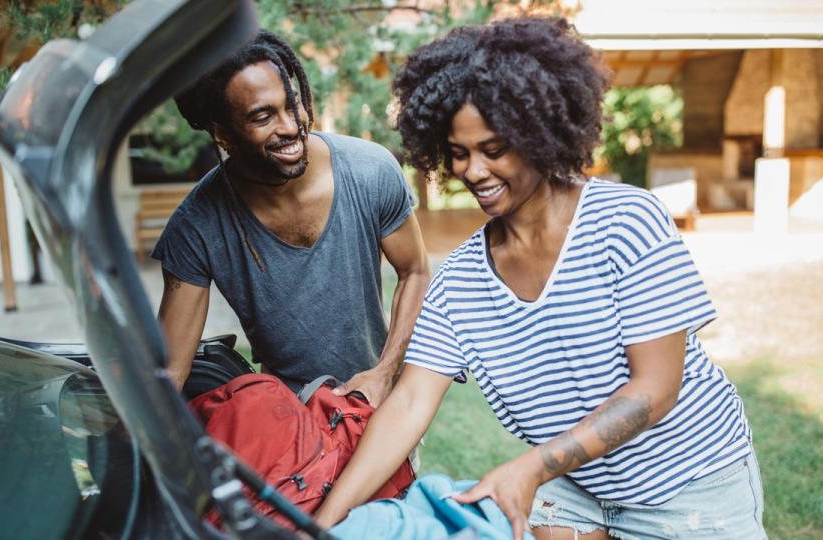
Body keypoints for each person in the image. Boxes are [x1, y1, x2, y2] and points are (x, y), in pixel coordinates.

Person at [315, 18, 766, 540]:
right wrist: (320, 525)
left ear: (538, 133)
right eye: (459, 153)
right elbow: (410, 402)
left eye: (494, 148)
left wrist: (531, 467)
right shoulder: (460, 280)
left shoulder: (625, 222)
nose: (474, 171)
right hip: (577, 488)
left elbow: (655, 390)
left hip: (689, 484)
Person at [153, 31, 430, 406]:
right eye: (263, 116)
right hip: (287, 424)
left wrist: (385, 373)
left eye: (292, 103)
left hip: (379, 406)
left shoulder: (371, 171)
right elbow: (169, 372)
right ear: (223, 134)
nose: (290, 126)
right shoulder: (196, 226)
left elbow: (415, 271)